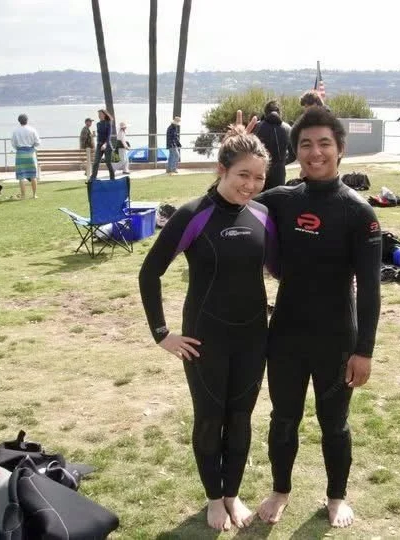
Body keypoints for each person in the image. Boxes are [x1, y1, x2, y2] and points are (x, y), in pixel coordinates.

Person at [139, 129, 276, 532]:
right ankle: (214, 499)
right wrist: (161, 333)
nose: (250, 186)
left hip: (253, 335)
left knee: (241, 419)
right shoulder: (194, 213)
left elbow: (282, 269)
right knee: (210, 417)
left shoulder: (262, 215)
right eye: (242, 176)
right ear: (221, 170)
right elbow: (150, 273)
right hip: (205, 338)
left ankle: (232, 493)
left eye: (258, 178)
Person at [254, 107, 382, 528]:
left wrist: (363, 351)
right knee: (283, 417)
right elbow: (226, 202)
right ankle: (280, 489)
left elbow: (370, 291)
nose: (315, 152)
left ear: (341, 149)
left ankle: (336, 496)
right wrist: (238, 153)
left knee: (335, 424)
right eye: (305, 144)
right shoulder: (280, 201)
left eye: (324, 143)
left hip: (336, 336)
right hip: (287, 333)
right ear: (296, 152)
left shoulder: (359, 213)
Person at [254, 101, 291, 191]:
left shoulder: (257, 126)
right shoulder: (287, 128)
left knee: (258, 201)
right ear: (280, 112)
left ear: (265, 113)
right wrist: (282, 162)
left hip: (260, 170)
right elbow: (294, 153)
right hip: (279, 173)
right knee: (277, 201)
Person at [11, 114, 41, 199]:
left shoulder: (16, 131)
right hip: (30, 153)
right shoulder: (32, 130)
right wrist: (32, 146)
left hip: (20, 153)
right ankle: (34, 195)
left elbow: (13, 143)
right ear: (27, 120)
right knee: (33, 175)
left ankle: (23, 195)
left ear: (19, 121)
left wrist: (18, 147)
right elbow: (38, 142)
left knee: (21, 176)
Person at [91, 109, 115, 180]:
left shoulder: (108, 123)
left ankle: (112, 178)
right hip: (99, 145)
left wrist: (105, 144)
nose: (99, 116)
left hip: (107, 145)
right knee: (96, 162)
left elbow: (108, 135)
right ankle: (93, 178)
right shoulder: (98, 124)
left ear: (104, 114)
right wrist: (94, 135)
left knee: (108, 163)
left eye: (100, 114)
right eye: (98, 114)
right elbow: (99, 135)